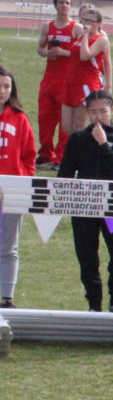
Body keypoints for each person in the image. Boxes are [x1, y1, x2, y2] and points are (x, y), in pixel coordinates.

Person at [57, 91, 113, 313]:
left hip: (112, 207)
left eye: (103, 111)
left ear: (112, 111)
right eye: (93, 112)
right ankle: (93, 303)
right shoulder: (78, 139)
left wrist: (103, 144)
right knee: (87, 255)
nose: (98, 117)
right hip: (84, 206)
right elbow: (65, 174)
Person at [0, 64, 37, 309]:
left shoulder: (19, 118)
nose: (2, 91)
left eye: (6, 86)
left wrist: (22, 179)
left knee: (9, 245)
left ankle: (7, 296)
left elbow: (29, 155)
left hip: (12, 191)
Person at [35, 0, 77, 168]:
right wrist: (47, 53)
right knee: (44, 118)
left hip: (67, 81)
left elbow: (81, 53)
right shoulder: (48, 27)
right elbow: (40, 47)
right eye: (61, 2)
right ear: (56, 5)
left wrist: (64, 53)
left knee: (64, 120)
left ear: (70, 6)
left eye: (67, 3)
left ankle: (60, 157)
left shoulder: (76, 28)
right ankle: (45, 154)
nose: (64, 6)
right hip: (49, 79)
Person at [66, 8, 112, 136]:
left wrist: (108, 86)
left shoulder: (101, 39)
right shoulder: (80, 36)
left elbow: (85, 56)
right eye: (84, 20)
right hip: (71, 82)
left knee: (78, 126)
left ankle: (82, 153)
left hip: (86, 84)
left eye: (90, 21)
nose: (86, 23)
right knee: (66, 126)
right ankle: (75, 148)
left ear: (98, 23)